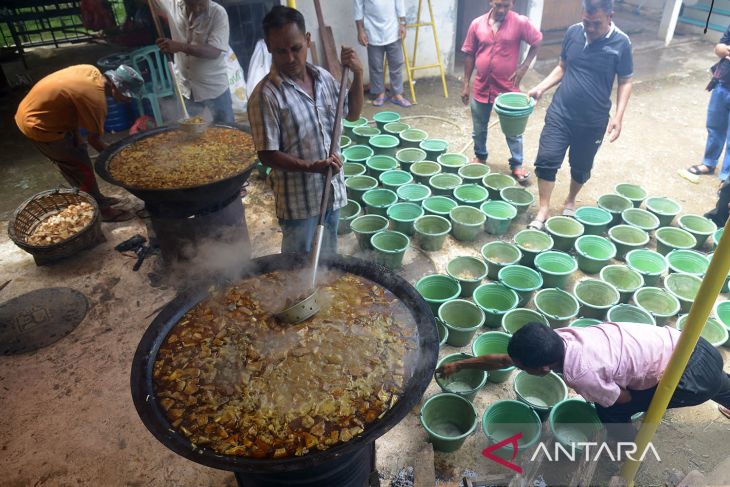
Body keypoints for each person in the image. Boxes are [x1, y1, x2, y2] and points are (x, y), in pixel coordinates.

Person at [438, 322, 730, 441]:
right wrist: (459, 364)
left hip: (691, 378)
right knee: (722, 383)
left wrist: (618, 389)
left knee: (610, 410)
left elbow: (622, 399)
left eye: (524, 368)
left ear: (542, 369)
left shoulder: (580, 374)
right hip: (692, 344)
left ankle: (628, 448)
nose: (519, 368)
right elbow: (504, 360)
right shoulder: (559, 338)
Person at [247, 6, 364, 254]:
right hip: (299, 206)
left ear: (308, 41)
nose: (289, 58)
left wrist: (358, 73)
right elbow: (266, 154)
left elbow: (352, 113)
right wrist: (309, 167)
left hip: (332, 195)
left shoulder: (324, 78)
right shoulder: (265, 96)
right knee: (297, 274)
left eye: (296, 48)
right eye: (281, 51)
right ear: (269, 48)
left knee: (327, 266)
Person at [526, 0, 633, 229]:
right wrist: (541, 87)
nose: (590, 28)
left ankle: (570, 200)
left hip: (593, 120)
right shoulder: (574, 32)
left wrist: (618, 116)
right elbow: (563, 66)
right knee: (546, 160)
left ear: (610, 16)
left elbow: (625, 80)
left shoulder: (621, 43)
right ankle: (543, 209)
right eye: (587, 22)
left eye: (596, 23)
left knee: (581, 166)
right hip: (561, 112)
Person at [15, 64, 143, 222]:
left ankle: (97, 198)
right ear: (116, 87)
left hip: (48, 111)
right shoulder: (96, 101)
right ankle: (103, 212)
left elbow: (70, 98)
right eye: (128, 96)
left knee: (80, 152)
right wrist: (120, 161)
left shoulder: (91, 71)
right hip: (39, 124)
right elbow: (94, 140)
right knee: (79, 168)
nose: (128, 100)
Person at [460, 0, 542, 184]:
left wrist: (524, 66)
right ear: (491, 2)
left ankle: (517, 164)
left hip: (506, 87)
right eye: (498, 5)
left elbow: (537, 41)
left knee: (513, 131)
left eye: (507, 5)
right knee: (479, 127)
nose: (503, 9)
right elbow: (469, 54)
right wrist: (466, 83)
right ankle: (480, 155)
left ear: (512, 3)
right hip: (481, 86)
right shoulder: (476, 24)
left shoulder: (520, 22)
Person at [153, 0, 233, 124]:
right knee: (193, 136)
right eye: (191, 4)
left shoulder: (218, 14)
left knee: (228, 133)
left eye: (201, 4)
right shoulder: (173, 4)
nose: (196, 9)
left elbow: (214, 51)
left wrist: (180, 47)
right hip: (186, 89)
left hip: (214, 89)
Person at [687, 24, 730, 180]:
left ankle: (726, 178)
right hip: (722, 84)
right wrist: (721, 49)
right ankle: (709, 162)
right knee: (715, 126)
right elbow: (721, 45)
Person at [354, 0, 411, 107]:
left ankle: (397, 95)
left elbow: (399, 3)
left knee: (396, 63)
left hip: (393, 29)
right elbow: (358, 8)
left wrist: (403, 24)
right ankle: (380, 94)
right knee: (376, 66)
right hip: (372, 30)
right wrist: (360, 31)